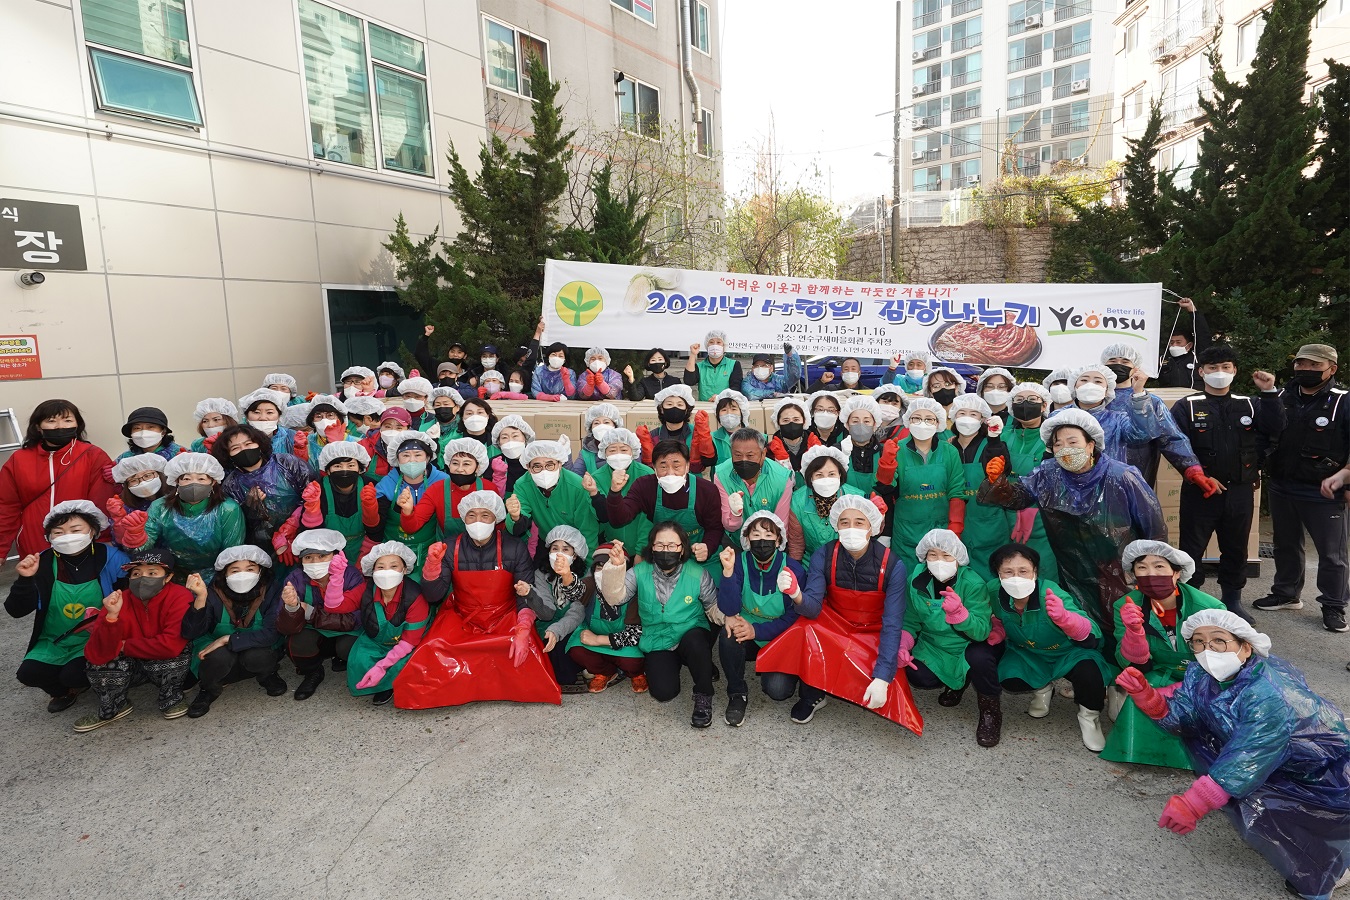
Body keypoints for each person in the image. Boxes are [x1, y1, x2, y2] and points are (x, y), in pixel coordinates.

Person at [1117, 609, 1350, 900]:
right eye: (1198, 642)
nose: (1207, 650)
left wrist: (1195, 803)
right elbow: (1186, 717)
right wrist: (1148, 697)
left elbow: (1249, 756)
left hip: (1319, 770)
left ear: (1246, 647)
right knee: (1215, 758)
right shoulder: (1200, 673)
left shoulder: (1267, 694)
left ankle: (1330, 865)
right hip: (1272, 758)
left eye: (1218, 641)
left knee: (1269, 806)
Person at [978, 409, 1166, 639]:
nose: (1065, 448)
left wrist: (1155, 571)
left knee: (1129, 625)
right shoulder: (1048, 474)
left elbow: (1153, 527)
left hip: (1120, 569)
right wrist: (998, 483)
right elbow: (1019, 497)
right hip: (1072, 568)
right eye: (1058, 444)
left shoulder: (1122, 476)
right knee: (1085, 627)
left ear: (1091, 444)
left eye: (1073, 441)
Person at [755, 495, 921, 731]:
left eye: (859, 522)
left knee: (888, 689)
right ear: (836, 525)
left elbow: (893, 624)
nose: (851, 528)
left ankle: (825, 683)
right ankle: (814, 692)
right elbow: (812, 609)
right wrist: (796, 594)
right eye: (844, 522)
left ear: (872, 527)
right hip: (833, 627)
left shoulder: (894, 566)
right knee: (780, 682)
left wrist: (883, 677)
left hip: (873, 633)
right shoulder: (823, 555)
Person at [394, 490, 560, 708]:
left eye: (485, 515)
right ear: (463, 518)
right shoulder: (450, 546)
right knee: (432, 650)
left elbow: (525, 594)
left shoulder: (514, 547)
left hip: (505, 616)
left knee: (527, 655)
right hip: (462, 616)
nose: (478, 521)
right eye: (472, 515)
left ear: (496, 518)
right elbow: (434, 596)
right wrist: (432, 569)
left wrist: (523, 627)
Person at [1169, 345, 1284, 619]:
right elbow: (1175, 446)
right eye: (1212, 368)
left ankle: (1232, 601)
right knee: (1192, 549)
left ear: (1234, 371)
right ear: (1201, 372)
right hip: (1201, 491)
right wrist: (1197, 475)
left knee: (1236, 548)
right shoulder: (1187, 406)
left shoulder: (1251, 404)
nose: (1219, 373)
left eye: (1225, 367)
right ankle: (1191, 601)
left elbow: (1277, 428)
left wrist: (1269, 393)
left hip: (1240, 491)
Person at [1100, 540, 1223, 769]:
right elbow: (1130, 664)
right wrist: (1134, 634)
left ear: (1177, 573)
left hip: (1203, 675)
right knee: (1144, 690)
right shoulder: (1125, 606)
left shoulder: (1208, 606)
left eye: (1159, 567)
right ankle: (1146, 752)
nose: (1150, 574)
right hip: (1158, 672)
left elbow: (1223, 658)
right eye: (1142, 568)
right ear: (1134, 574)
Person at [1254, 344, 1349, 633]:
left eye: (1314, 365)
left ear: (1331, 369)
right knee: (1286, 544)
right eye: (1301, 364)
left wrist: (1345, 475)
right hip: (1282, 484)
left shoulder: (1343, 402)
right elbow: (1262, 435)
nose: (1306, 370)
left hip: (1323, 490)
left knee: (1332, 553)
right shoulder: (1279, 397)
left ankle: (1333, 605)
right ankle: (1286, 593)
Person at [986, 542, 1111, 751]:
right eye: (1008, 571)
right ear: (998, 574)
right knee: (1009, 677)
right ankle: (1043, 688)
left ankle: (1090, 717)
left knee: (1090, 673)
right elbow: (996, 617)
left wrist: (1067, 620)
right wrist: (997, 630)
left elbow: (1092, 635)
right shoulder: (994, 592)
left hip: (1068, 652)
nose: (1016, 577)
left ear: (1035, 571)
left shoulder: (1051, 593)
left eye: (1023, 570)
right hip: (1029, 653)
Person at [6, 501, 127, 713]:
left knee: (74, 674)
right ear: (49, 538)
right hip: (55, 638)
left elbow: (130, 595)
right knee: (28, 674)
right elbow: (16, 611)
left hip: (96, 636)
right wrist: (25, 580)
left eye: (75, 529)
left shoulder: (111, 557)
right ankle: (63, 691)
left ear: (93, 531)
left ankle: (87, 682)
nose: (67, 536)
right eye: (58, 532)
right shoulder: (42, 562)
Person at [598, 521, 722, 726]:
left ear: (682, 549)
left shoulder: (698, 574)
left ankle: (703, 694)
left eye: (672, 545)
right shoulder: (640, 571)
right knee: (664, 692)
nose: (666, 550)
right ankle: (696, 664)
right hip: (657, 638)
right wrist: (617, 567)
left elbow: (713, 608)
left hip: (690, 632)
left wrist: (732, 620)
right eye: (660, 545)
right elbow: (614, 598)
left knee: (696, 643)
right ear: (652, 547)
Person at [901, 529, 1001, 747]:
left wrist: (961, 615)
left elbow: (982, 630)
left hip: (968, 644)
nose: (939, 561)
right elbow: (910, 620)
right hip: (935, 645)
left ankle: (990, 713)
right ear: (924, 556)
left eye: (947, 556)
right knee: (919, 676)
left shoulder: (973, 583)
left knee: (980, 659)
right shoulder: (915, 580)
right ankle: (957, 684)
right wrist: (903, 644)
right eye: (932, 555)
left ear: (959, 558)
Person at [76, 548, 193, 731]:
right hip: (130, 665)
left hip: (161, 662)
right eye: (136, 573)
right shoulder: (117, 600)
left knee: (181, 648)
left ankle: (171, 698)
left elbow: (170, 645)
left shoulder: (180, 596)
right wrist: (111, 618)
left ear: (168, 577)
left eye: (152, 573)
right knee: (99, 661)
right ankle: (113, 706)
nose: (142, 578)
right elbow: (95, 653)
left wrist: (123, 645)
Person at [716, 512, 809, 726]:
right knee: (727, 634)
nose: (762, 541)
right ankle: (737, 693)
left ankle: (781, 667)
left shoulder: (793, 569)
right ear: (747, 540)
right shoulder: (739, 562)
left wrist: (756, 631)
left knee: (778, 691)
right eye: (755, 535)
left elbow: (795, 617)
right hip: (745, 629)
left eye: (768, 535)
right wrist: (728, 572)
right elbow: (728, 607)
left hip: (781, 637)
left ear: (779, 540)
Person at [0, 399, 116, 563]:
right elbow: (6, 506)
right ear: (38, 427)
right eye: (51, 421)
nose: (60, 426)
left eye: (67, 420)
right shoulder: (19, 459)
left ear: (78, 425)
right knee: (39, 586)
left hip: (80, 543)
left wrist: (103, 541)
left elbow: (103, 502)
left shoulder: (93, 455)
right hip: (33, 544)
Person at [181, 545, 287, 717]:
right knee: (219, 656)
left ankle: (267, 675)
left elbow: (271, 633)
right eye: (235, 570)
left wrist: (228, 639)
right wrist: (200, 598)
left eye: (250, 569)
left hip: (255, 647)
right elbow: (190, 633)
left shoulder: (272, 590)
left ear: (261, 571)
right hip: (220, 654)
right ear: (225, 574)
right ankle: (209, 688)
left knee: (259, 654)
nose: (242, 574)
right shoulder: (213, 592)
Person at [111, 453, 246, 583]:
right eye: (186, 478)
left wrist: (220, 578)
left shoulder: (228, 509)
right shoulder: (160, 507)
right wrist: (135, 535)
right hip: (171, 574)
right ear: (177, 481)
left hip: (215, 575)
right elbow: (144, 551)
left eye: (201, 479)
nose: (193, 484)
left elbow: (232, 552)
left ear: (213, 482)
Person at [872, 398, 966, 577]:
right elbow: (884, 489)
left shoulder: (949, 452)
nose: (923, 423)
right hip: (906, 531)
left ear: (938, 422)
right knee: (906, 580)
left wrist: (954, 529)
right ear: (908, 421)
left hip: (940, 529)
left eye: (929, 419)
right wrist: (886, 465)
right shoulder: (896, 449)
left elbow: (956, 492)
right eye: (916, 418)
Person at [605, 440, 724, 570]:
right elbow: (619, 519)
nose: (670, 472)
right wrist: (615, 492)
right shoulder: (644, 486)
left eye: (676, 466)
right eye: (663, 467)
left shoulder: (706, 490)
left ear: (687, 466)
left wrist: (707, 546)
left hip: (700, 559)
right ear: (654, 468)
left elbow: (715, 527)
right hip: (661, 558)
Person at [276, 528, 365, 700]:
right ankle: (313, 672)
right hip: (314, 633)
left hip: (345, 632)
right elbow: (283, 627)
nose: (315, 562)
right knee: (297, 642)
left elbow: (356, 619)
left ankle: (343, 660)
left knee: (349, 646)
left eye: (322, 556)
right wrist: (292, 608)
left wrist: (309, 612)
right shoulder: (295, 579)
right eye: (308, 558)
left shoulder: (352, 576)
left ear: (336, 556)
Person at [1099, 344, 1204, 486]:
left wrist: (1192, 468)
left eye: (1125, 362)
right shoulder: (1094, 400)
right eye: (1112, 361)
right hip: (1095, 480)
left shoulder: (1150, 402)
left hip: (1137, 480)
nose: (1118, 365)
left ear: (1135, 367)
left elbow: (1171, 437)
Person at [348, 541, 432, 706]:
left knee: (413, 663)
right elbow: (340, 605)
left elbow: (409, 641)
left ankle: (388, 685)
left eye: (394, 566)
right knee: (358, 659)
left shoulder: (415, 597)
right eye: (380, 567)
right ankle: (384, 683)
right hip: (377, 640)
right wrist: (336, 579)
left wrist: (382, 666)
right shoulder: (366, 590)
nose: (387, 572)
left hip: (408, 643)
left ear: (405, 570)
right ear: (372, 571)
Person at [280, 441, 380, 565]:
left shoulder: (370, 486)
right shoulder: (318, 489)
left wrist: (371, 509)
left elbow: (377, 530)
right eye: (337, 466)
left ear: (360, 469)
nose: (344, 470)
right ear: (327, 470)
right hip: (327, 550)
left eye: (351, 465)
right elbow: (311, 533)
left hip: (364, 548)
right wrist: (312, 510)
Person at [507, 436, 600, 569]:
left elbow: (588, 530)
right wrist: (515, 517)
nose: (544, 471)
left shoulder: (576, 486)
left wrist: (590, 569)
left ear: (560, 464)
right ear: (528, 467)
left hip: (577, 547)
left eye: (550, 465)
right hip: (548, 543)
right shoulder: (523, 485)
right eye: (537, 466)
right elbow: (518, 525)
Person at [214, 424, 310, 551]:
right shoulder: (231, 486)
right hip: (266, 549)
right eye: (235, 448)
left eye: (248, 444)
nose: (244, 450)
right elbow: (238, 527)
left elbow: (313, 493)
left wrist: (292, 525)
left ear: (259, 444)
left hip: (305, 536)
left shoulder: (287, 463)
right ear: (228, 455)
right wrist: (250, 509)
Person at [567, 542, 647, 694]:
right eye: (600, 566)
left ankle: (636, 674)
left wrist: (598, 640)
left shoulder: (632, 592)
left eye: (611, 566)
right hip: (594, 640)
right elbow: (575, 592)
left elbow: (635, 635)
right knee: (577, 650)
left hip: (623, 645)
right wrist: (566, 574)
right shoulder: (592, 585)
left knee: (633, 662)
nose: (605, 571)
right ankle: (606, 672)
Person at [524, 525, 594, 693]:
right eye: (555, 548)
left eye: (566, 549)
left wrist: (557, 630)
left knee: (567, 669)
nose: (559, 554)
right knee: (549, 658)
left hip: (575, 625)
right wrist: (530, 594)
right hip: (549, 624)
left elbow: (577, 612)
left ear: (575, 554)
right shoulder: (541, 574)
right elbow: (547, 612)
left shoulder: (585, 575)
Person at [947, 395, 1012, 571]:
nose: (967, 418)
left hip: (988, 523)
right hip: (954, 520)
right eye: (962, 413)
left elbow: (1002, 470)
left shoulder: (992, 444)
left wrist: (994, 440)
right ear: (953, 416)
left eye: (973, 414)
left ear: (983, 418)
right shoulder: (947, 447)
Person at [1003, 383, 1059, 582]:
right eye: (1019, 400)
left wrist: (1032, 507)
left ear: (1044, 405)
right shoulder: (1004, 435)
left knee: (1044, 577)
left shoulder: (1054, 438)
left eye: (1032, 400)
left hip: (1042, 519)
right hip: (1007, 515)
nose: (1025, 404)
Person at [399, 437, 500, 546]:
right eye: (455, 463)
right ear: (449, 464)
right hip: (447, 552)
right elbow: (411, 527)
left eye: (466, 464)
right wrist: (408, 511)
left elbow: (499, 528)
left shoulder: (489, 488)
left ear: (477, 467)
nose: (460, 469)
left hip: (485, 551)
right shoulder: (437, 489)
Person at [1059, 363, 1161, 465]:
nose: (1090, 385)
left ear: (1107, 390)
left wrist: (1138, 392)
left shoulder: (1118, 419)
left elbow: (1142, 434)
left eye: (1098, 381)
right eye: (1084, 380)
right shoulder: (1059, 416)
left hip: (1108, 478)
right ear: (1074, 386)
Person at [375, 431, 447, 568]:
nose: (411, 460)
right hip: (393, 553)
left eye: (418, 455)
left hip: (430, 550)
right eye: (406, 455)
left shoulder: (442, 481)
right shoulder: (386, 485)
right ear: (397, 459)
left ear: (428, 458)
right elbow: (377, 522)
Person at [787, 446, 864, 570]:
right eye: (819, 475)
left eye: (831, 474)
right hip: (811, 566)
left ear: (840, 474)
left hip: (849, 566)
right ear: (810, 477)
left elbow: (867, 534)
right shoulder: (798, 501)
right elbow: (796, 545)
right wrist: (796, 572)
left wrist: (879, 516)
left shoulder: (856, 497)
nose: (826, 479)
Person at [714, 429, 794, 538]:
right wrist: (735, 514)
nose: (743, 460)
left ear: (763, 454)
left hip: (770, 542)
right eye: (737, 455)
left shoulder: (782, 479)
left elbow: (781, 527)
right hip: (736, 540)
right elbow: (729, 526)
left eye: (750, 455)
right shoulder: (721, 475)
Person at [589, 429, 655, 552]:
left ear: (633, 451)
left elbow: (647, 518)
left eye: (624, 450)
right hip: (610, 545)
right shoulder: (596, 478)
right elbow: (598, 516)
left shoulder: (647, 475)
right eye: (612, 450)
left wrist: (641, 550)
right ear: (604, 453)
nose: (618, 455)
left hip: (644, 545)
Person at [639, 384, 716, 474]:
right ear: (662, 409)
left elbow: (710, 461)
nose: (674, 407)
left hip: (692, 483)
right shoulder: (653, 436)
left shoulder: (698, 433)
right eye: (669, 404)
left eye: (680, 404)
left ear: (687, 409)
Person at [293, 394, 358, 473]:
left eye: (330, 415)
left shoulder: (355, 443)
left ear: (340, 419)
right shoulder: (307, 442)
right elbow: (302, 472)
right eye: (318, 416)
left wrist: (336, 445)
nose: (324, 420)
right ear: (312, 421)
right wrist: (300, 451)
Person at [1155, 297, 1210, 389]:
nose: (1174, 345)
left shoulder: (1198, 356)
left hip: (1194, 399)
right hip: (1169, 400)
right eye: (1171, 342)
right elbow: (1146, 376)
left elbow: (1202, 334)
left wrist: (1191, 309)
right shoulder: (1162, 360)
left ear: (1189, 345)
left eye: (1178, 342)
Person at [839, 395, 888, 493]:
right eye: (855, 421)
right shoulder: (837, 451)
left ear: (875, 425)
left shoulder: (884, 453)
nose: (861, 425)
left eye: (866, 421)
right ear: (847, 425)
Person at [766, 397, 820, 485]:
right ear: (778, 423)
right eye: (785, 420)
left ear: (804, 421)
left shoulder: (817, 448)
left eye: (796, 420)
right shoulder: (769, 451)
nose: (791, 424)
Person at [684, 330, 743, 400]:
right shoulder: (699, 366)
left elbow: (736, 387)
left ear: (724, 346)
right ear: (707, 345)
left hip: (725, 406)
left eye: (718, 342)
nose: (715, 345)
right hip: (704, 406)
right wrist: (693, 354)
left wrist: (720, 397)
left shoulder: (734, 365)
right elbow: (689, 381)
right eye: (711, 342)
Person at [566, 403, 622, 475]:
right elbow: (574, 477)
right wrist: (566, 456)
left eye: (606, 422)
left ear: (615, 426)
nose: (601, 426)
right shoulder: (586, 454)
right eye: (596, 423)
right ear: (591, 428)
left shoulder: (626, 448)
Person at [239, 388, 297, 455]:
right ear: (246, 416)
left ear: (279, 416)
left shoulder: (291, 436)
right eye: (256, 412)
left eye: (269, 412)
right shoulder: (236, 439)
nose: (263, 418)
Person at [115, 406, 184, 462]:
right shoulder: (125, 458)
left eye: (150, 427)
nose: (143, 433)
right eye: (137, 428)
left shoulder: (179, 454)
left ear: (163, 431)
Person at [489, 415, 534, 495]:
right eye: (504, 437)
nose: (510, 441)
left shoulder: (534, 461)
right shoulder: (495, 463)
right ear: (498, 442)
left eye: (515, 436)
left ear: (525, 438)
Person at [711, 389, 752, 467]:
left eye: (733, 409)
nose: (729, 413)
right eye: (724, 410)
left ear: (742, 412)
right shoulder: (711, 438)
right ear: (718, 415)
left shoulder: (756, 438)